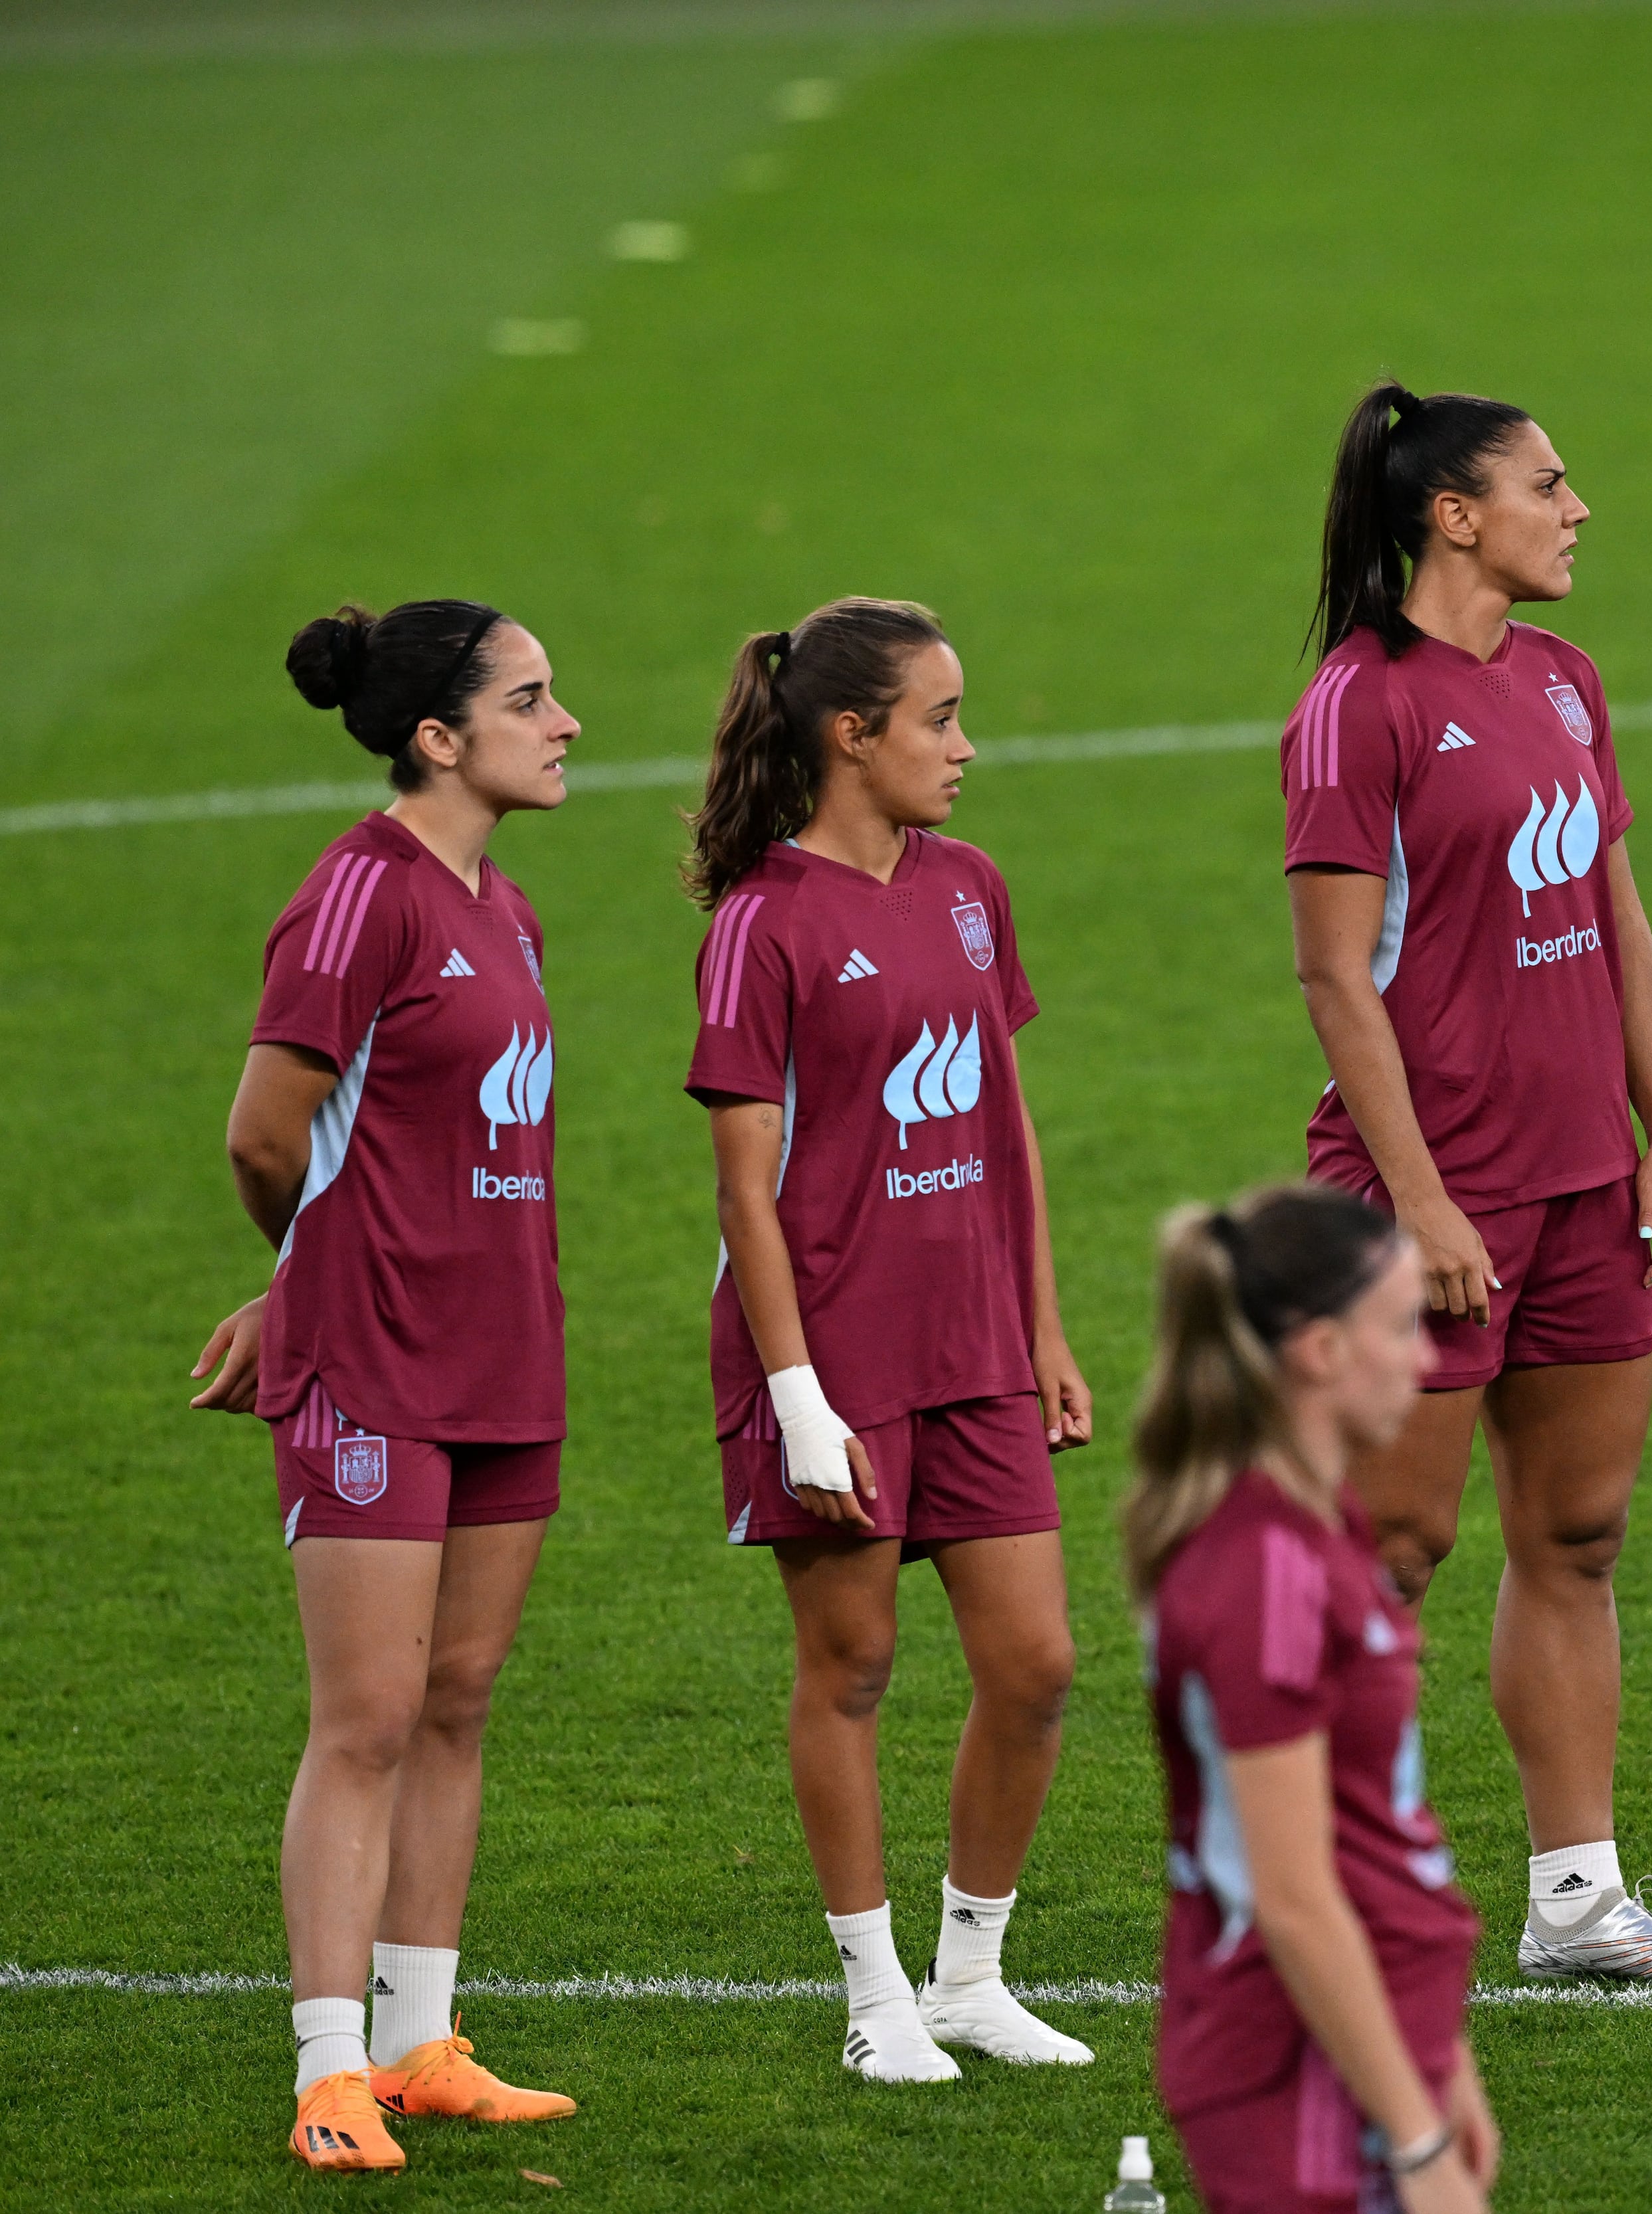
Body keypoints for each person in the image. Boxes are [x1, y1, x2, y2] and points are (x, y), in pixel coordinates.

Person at [1282, 383, 1652, 1976]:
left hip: (1577, 1185)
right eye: (1550, 483)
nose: (1580, 505)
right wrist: (1418, 1202)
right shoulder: (1360, 704)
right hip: (1424, 1195)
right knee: (1391, 1544)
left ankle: (1574, 1900)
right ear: (1454, 517)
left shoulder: (1565, 680)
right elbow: (1337, 979)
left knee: (1582, 1532)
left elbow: (1619, 917)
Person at [189, 600, 583, 2171]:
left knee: (456, 1697)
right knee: (363, 1716)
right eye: (532, 697)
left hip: (505, 1350)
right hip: (377, 1360)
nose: (565, 721)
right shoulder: (358, 897)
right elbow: (263, 1134)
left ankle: (424, 2039)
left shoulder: (508, 906)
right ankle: (328, 2065)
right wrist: (311, 1282)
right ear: (440, 734)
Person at [681, 597, 1098, 2075]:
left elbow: (1006, 1123)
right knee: (851, 1664)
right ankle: (875, 2004)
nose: (964, 748)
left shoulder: (971, 886)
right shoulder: (762, 923)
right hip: (836, 1355)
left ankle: (970, 1975)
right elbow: (743, 1184)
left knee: (1036, 1660)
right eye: (939, 720)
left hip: (976, 1340)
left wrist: (1043, 1323)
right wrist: (795, 1397)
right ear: (850, 735)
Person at [1134, 1185, 1498, 2214]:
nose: (1428, 1361)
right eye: (1400, 1331)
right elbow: (1292, 1895)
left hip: (1372, 2042)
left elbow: (1376, 1822)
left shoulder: (1321, 1517)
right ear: (1319, 1351)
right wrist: (1418, 2142)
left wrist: (1443, 2061)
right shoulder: (1267, 1578)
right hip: (1295, 2067)